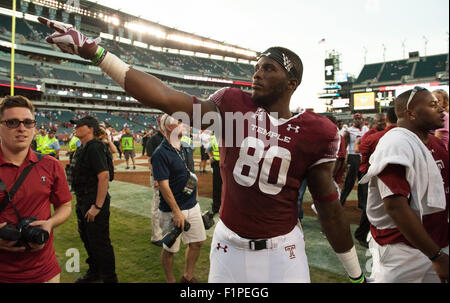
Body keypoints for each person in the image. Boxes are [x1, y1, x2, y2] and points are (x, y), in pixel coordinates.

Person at [39, 19, 365, 283]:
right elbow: (166, 98)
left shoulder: (318, 130)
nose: (258, 73)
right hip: (228, 247)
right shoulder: (232, 105)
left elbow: (329, 207)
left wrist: (354, 273)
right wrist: (98, 54)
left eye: (270, 68)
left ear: (292, 83)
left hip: (283, 252)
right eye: (258, 66)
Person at [360, 87, 448, 283]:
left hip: (436, 241)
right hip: (402, 248)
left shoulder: (436, 143)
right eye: (433, 105)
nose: (441, 109)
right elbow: (395, 207)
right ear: (411, 113)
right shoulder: (395, 143)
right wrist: (437, 256)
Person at [0, 95, 72, 283]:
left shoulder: (51, 165)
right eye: (12, 122)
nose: (21, 128)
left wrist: (50, 223)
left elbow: (65, 205)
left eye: (28, 122)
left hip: (44, 272)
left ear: (34, 127)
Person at [151, 114, 206, 283]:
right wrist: (176, 211)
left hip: (192, 205)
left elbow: (191, 173)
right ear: (169, 127)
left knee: (197, 242)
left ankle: (188, 276)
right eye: (180, 122)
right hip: (172, 210)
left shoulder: (186, 147)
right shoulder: (160, 153)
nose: (185, 125)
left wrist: (194, 195)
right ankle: (171, 281)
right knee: (170, 249)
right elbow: (163, 185)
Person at [70, 116, 118, 283]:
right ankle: (95, 272)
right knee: (88, 239)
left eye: (79, 125)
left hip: (94, 201)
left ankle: (109, 278)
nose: (75, 127)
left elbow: (104, 176)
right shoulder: (83, 147)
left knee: (99, 242)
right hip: (84, 199)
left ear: (90, 128)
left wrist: (97, 206)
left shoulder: (94, 146)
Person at [354, 109, 395, 248]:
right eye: (379, 122)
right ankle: (361, 234)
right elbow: (358, 150)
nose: (382, 124)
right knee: (369, 205)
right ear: (374, 122)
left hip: (379, 173)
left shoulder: (378, 135)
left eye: (383, 121)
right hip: (368, 173)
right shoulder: (371, 135)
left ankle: (367, 232)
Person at [340, 112, 367, 207]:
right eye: (356, 119)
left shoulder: (366, 129)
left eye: (359, 118)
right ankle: (341, 202)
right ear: (353, 120)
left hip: (363, 156)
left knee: (363, 181)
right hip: (353, 156)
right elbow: (345, 145)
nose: (357, 120)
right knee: (349, 181)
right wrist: (345, 159)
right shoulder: (348, 130)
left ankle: (362, 204)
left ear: (362, 120)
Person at [146, 116, 165, 246]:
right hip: (159, 177)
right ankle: (156, 236)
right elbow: (150, 161)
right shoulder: (153, 139)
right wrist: (156, 178)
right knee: (157, 204)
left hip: (169, 176)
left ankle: (165, 232)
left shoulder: (171, 137)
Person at [207, 131, 222, 214]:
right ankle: (216, 207)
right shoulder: (213, 138)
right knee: (216, 186)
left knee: (229, 187)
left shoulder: (228, 138)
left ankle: (226, 206)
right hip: (217, 165)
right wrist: (210, 156)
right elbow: (208, 149)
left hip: (225, 164)